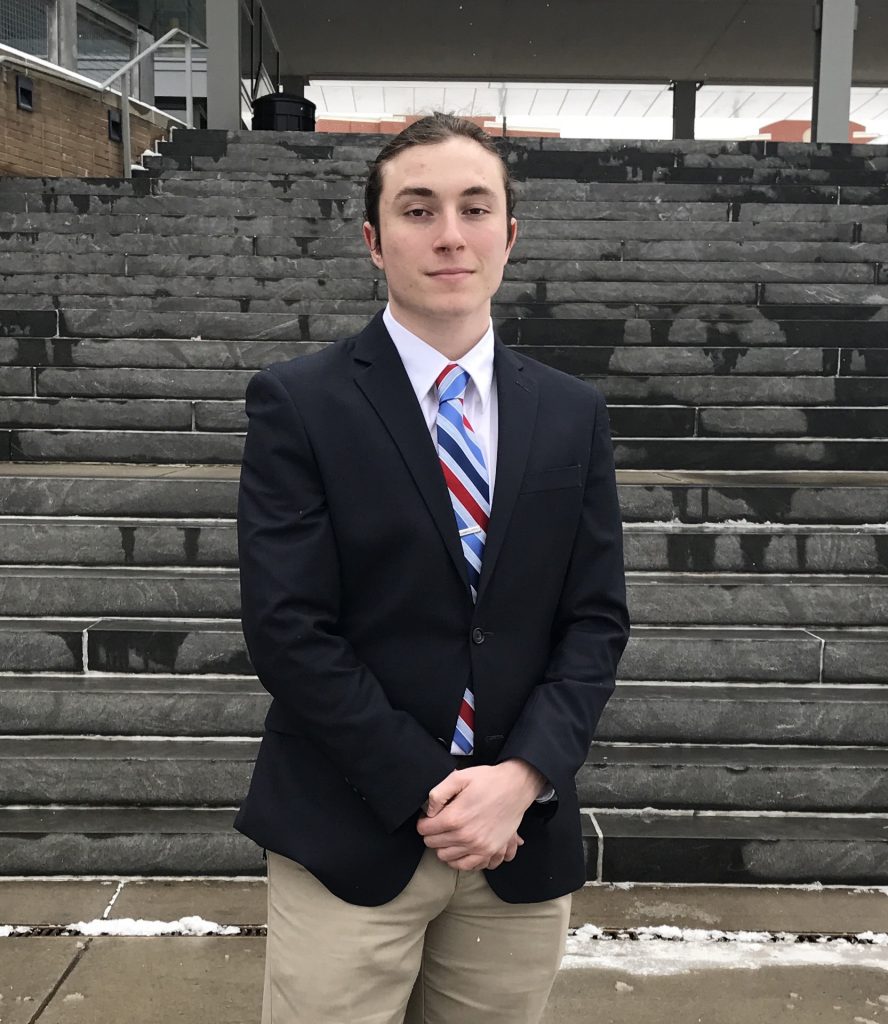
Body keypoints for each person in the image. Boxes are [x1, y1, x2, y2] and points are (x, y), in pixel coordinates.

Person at [235, 111, 630, 1024]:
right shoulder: (299, 402)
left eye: (474, 208)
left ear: (508, 235)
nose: (450, 234)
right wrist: (435, 792)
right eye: (418, 211)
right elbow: (289, 629)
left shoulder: (571, 412)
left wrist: (520, 779)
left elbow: (596, 619)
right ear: (374, 241)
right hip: (350, 830)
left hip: (517, 840)